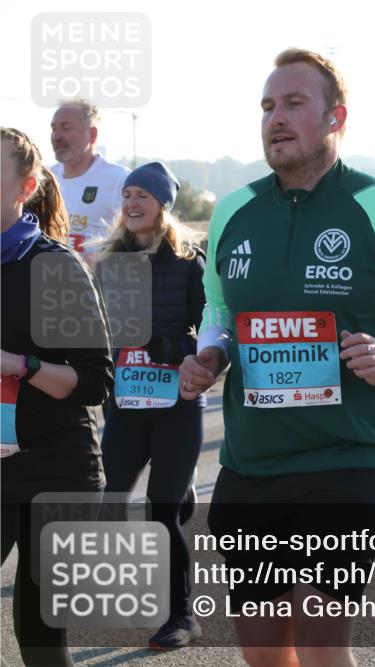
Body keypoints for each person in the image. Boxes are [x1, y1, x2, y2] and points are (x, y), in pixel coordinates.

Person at [178, 49, 375, 667]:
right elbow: (219, 313)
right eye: (268, 106)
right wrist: (209, 357)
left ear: (336, 117)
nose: (275, 118)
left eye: (294, 104)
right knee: (261, 648)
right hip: (252, 459)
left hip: (348, 455)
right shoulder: (233, 211)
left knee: (320, 635)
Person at [2, 127, 114, 667]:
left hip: (57, 471)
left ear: (24, 187)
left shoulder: (54, 267)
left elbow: (94, 381)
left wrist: (16, 366)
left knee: (41, 639)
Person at [96, 162, 207, 648]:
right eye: (127, 195)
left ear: (163, 204)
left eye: (143, 194)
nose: (132, 203)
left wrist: (176, 349)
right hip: (125, 405)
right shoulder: (108, 261)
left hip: (174, 407)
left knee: (158, 513)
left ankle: (180, 616)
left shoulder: (188, 261)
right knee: (111, 499)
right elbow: (94, 331)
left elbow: (213, 334)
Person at [49, 99, 130, 256]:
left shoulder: (120, 179)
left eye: (66, 128)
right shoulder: (45, 179)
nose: (57, 136)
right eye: (54, 129)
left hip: (97, 279)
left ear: (92, 134)